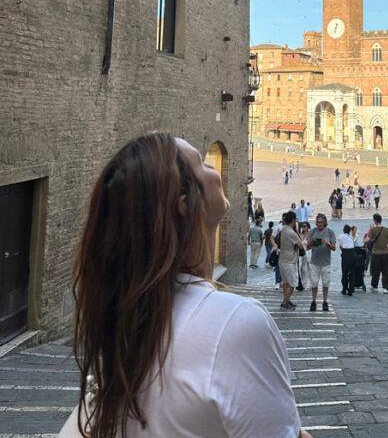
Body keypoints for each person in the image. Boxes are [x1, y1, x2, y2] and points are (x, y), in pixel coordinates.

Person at [63, 133, 310, 438]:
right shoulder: (236, 324)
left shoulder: (126, 320)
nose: (213, 167)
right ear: (185, 204)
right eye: (202, 163)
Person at [306, 214, 336, 311]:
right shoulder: (312, 232)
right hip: (314, 261)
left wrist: (327, 244)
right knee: (314, 283)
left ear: (325, 222)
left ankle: (325, 301)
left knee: (326, 283)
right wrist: (312, 241)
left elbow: (334, 247)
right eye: (318, 222)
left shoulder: (330, 232)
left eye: (321, 222)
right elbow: (307, 247)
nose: (319, 224)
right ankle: (314, 301)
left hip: (326, 261)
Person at [278, 211, 306, 309]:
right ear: (293, 220)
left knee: (286, 283)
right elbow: (300, 245)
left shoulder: (283, 229)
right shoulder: (291, 232)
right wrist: (297, 231)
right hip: (290, 260)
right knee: (293, 283)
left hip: (282, 259)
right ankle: (284, 302)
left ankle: (287, 300)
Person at [367, 213, 388, 292]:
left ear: (375, 221)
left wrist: (366, 245)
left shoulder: (373, 230)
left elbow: (367, 240)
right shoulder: (386, 230)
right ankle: (385, 288)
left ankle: (375, 286)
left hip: (376, 254)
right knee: (386, 271)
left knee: (375, 271)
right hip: (385, 253)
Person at [339, 224, 357, 295]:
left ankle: (344, 288)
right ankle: (351, 290)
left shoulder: (341, 235)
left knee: (344, 272)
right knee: (352, 273)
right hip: (352, 253)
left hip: (346, 253)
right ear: (349, 231)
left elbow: (340, 244)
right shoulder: (350, 237)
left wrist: (342, 250)